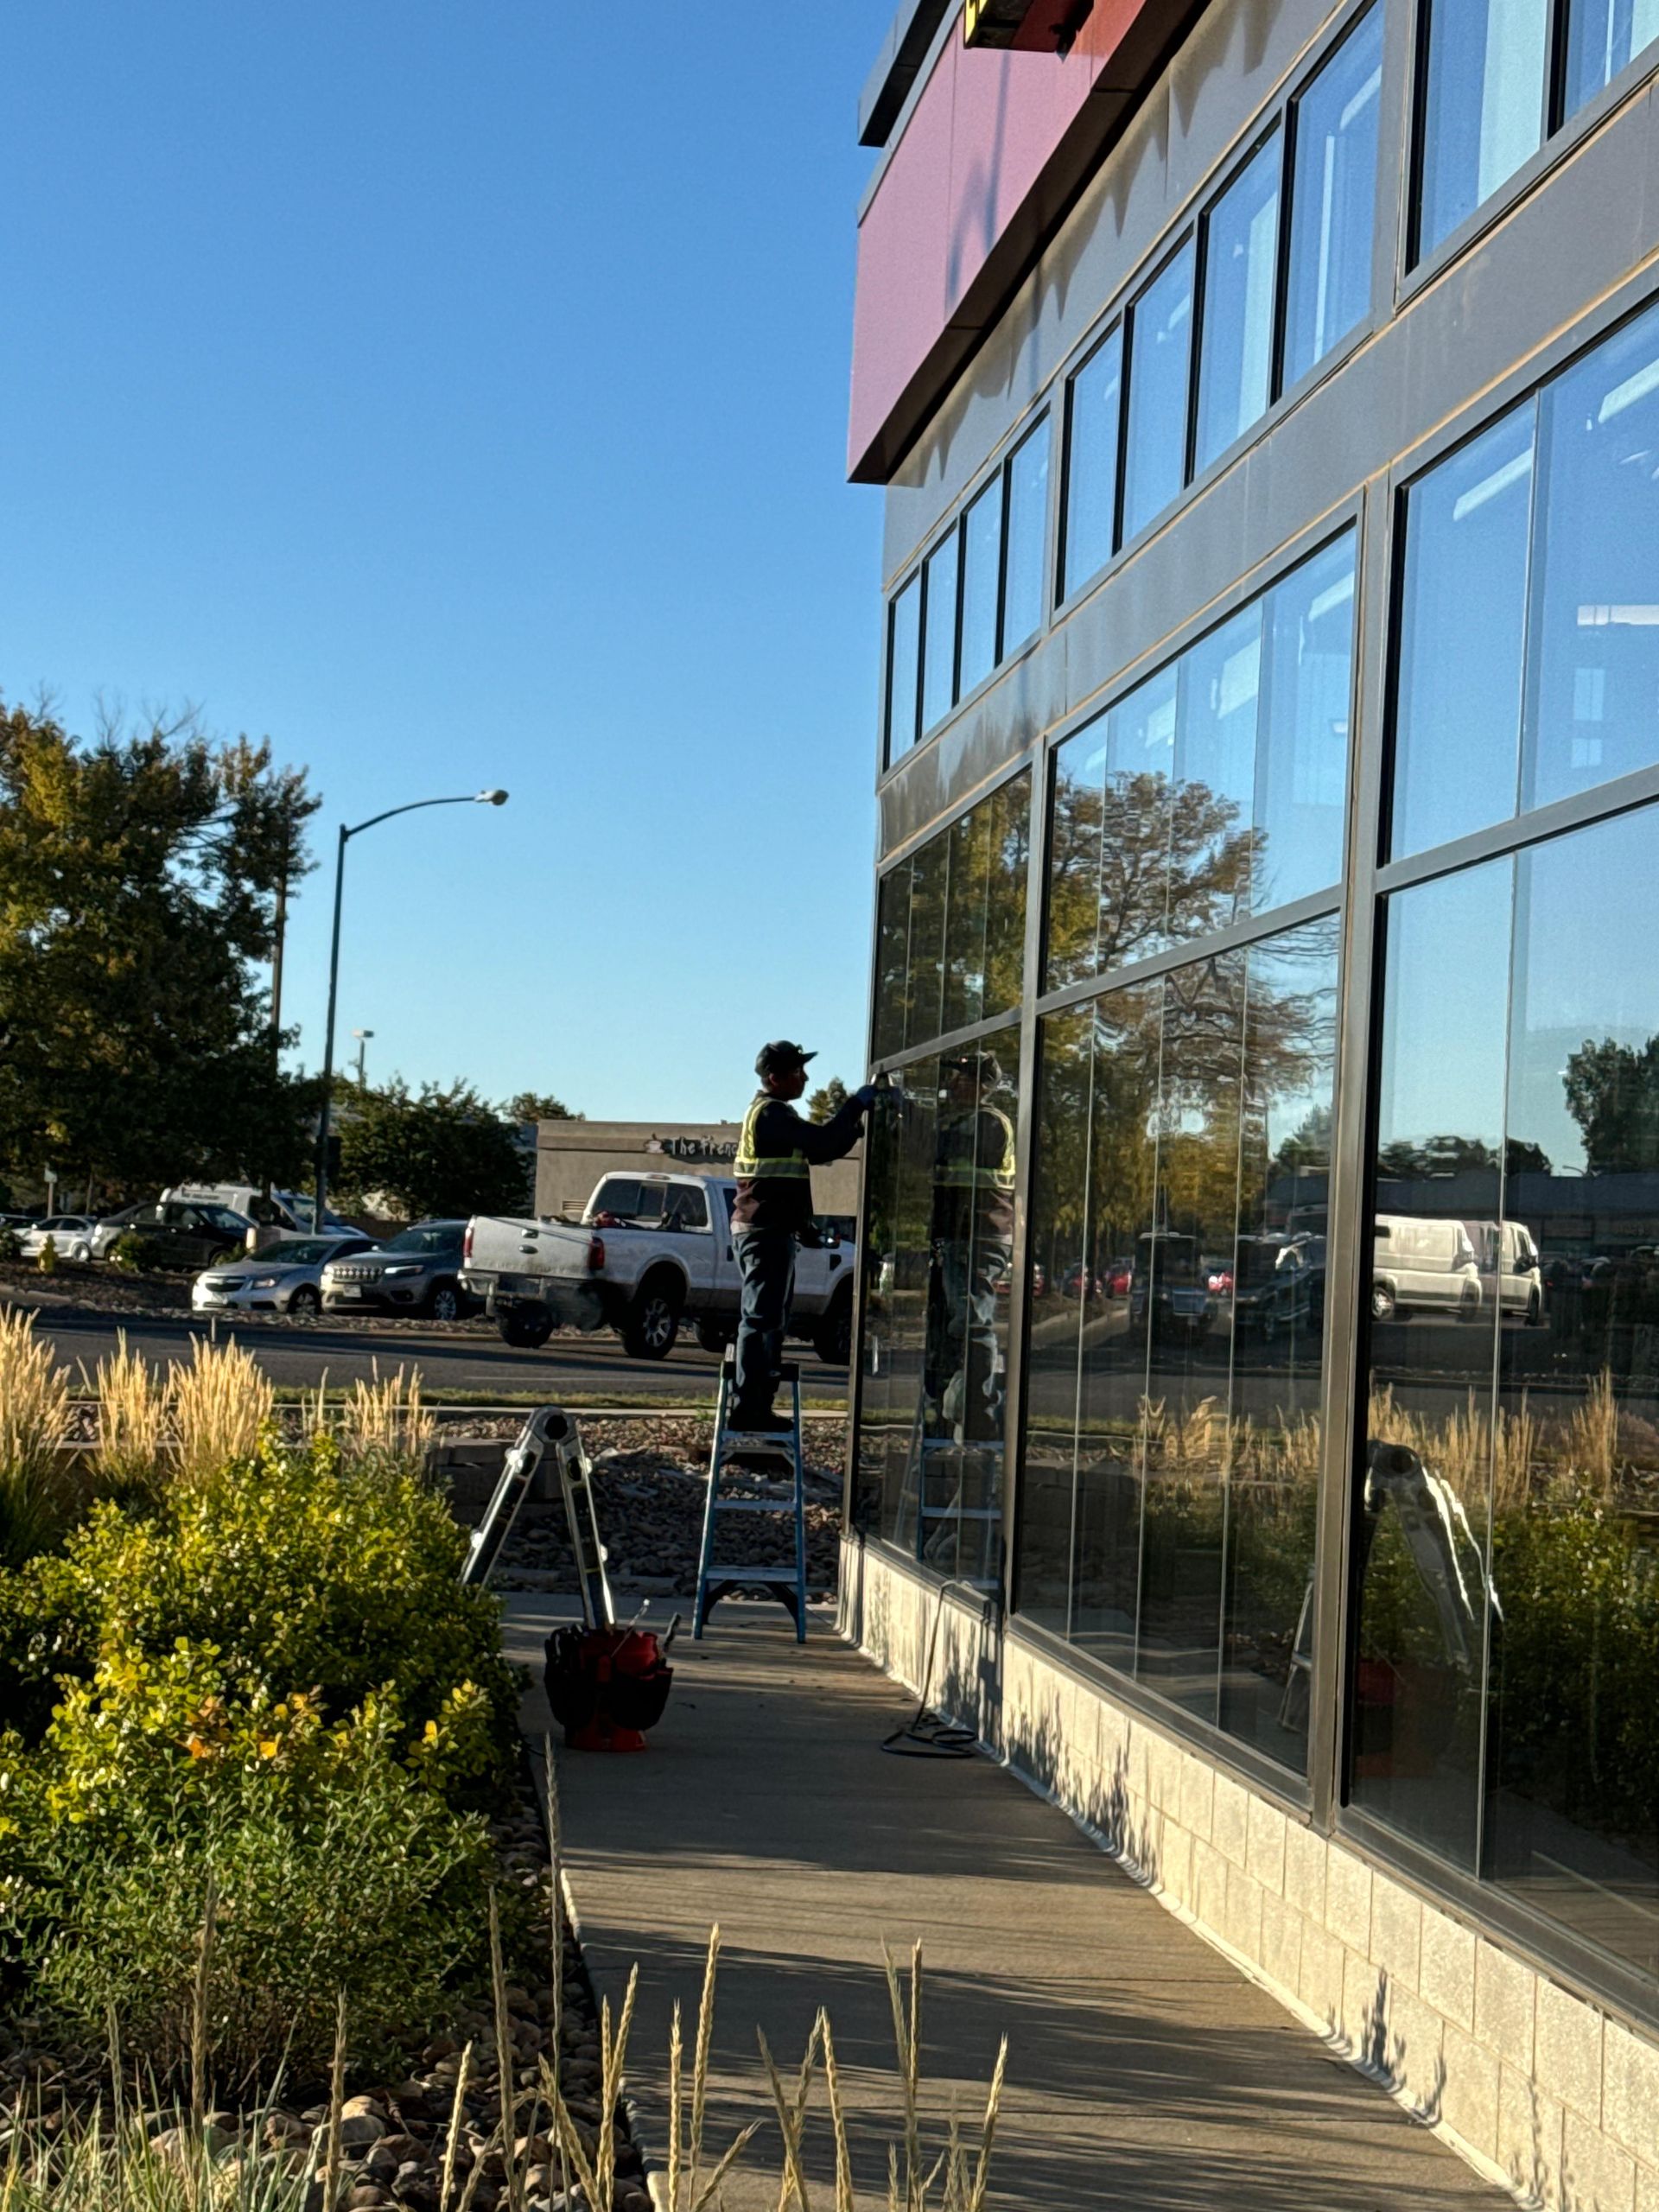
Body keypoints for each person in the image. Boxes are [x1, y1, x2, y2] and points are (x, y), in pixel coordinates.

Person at [730, 1042, 876, 1429]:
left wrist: (854, 1127)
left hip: (769, 1230)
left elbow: (816, 1151)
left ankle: (756, 1406)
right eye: (798, 1071)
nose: (806, 1078)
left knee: (769, 1318)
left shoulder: (774, 1114)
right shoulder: (772, 1115)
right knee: (762, 1320)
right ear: (775, 1078)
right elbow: (822, 1143)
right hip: (764, 1233)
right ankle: (750, 1411)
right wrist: (855, 1105)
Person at [925, 1050, 1015, 1444]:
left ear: (984, 1086)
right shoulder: (960, 1121)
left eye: (963, 1078)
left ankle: (977, 1414)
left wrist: (908, 1117)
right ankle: (947, 1409)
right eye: (952, 1077)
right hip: (960, 1237)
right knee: (953, 1326)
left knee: (973, 1323)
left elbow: (938, 1146)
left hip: (978, 1236)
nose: (953, 1084)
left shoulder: (987, 1123)